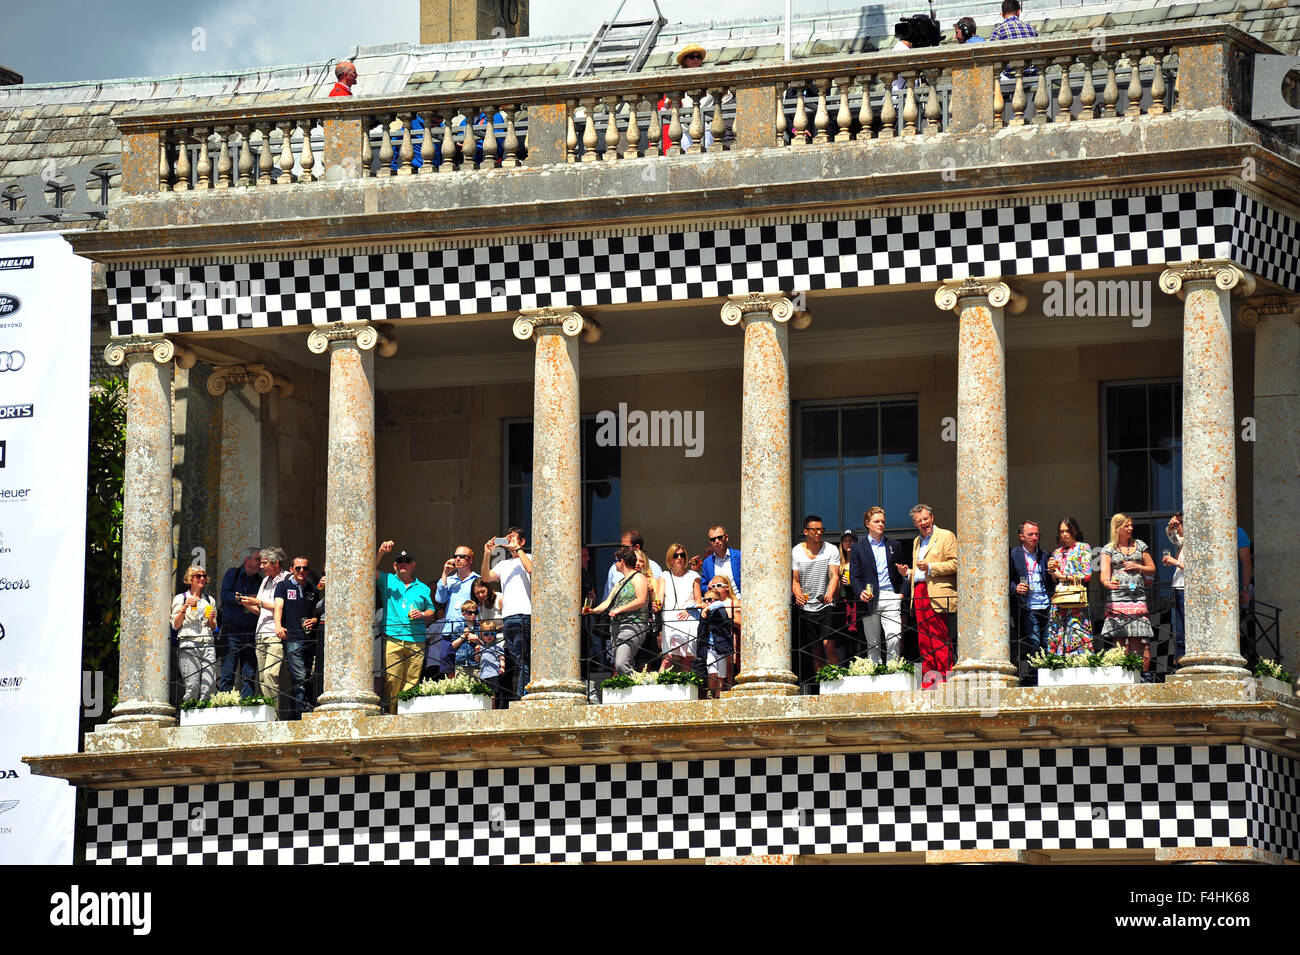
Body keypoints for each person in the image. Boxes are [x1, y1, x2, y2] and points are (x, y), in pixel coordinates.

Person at [899, 505, 957, 686]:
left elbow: (956, 563)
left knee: (938, 636)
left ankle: (945, 678)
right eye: (919, 521)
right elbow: (919, 571)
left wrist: (931, 568)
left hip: (937, 591)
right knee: (924, 638)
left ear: (932, 517)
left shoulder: (946, 536)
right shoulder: (917, 541)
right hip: (919, 591)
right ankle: (929, 680)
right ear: (915, 523)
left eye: (926, 519)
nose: (924, 523)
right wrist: (908, 573)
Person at [375, 542, 436, 710]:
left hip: (417, 639)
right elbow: (367, 569)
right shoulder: (387, 580)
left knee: (412, 680)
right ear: (395, 565)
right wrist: (380, 553)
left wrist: (422, 614)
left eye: (407, 561)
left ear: (413, 565)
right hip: (393, 637)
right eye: (399, 562)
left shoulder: (423, 587)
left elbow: (431, 610)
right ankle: (393, 714)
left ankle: (405, 714)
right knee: (392, 680)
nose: (403, 564)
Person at [850, 507, 907, 665]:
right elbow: (854, 576)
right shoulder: (857, 548)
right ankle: (875, 673)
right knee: (873, 643)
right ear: (867, 524)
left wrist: (901, 593)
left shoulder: (894, 545)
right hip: (870, 598)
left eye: (883, 521)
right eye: (877, 521)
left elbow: (904, 572)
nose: (881, 524)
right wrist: (860, 591)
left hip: (891, 596)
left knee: (894, 637)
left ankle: (893, 669)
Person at [480, 527, 532, 699]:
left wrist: (517, 548)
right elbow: (486, 577)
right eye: (507, 538)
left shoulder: (529, 557)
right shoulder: (503, 564)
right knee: (518, 661)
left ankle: (522, 696)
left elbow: (531, 569)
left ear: (522, 541)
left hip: (525, 614)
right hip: (508, 617)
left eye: (514, 537)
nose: (509, 541)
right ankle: (523, 693)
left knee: (524, 660)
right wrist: (487, 554)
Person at [1101, 513, 1156, 675]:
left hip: (1137, 597)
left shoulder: (1140, 545)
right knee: (1119, 638)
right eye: (1127, 526)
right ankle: (1121, 674)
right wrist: (1107, 583)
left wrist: (1137, 566)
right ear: (1117, 528)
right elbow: (1104, 573)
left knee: (1137, 637)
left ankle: (1138, 675)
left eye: (1131, 525)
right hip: (1117, 598)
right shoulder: (1109, 549)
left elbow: (1152, 568)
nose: (1130, 528)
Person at [583, 546, 648, 675]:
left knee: (621, 664)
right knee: (623, 663)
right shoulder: (620, 582)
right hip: (616, 627)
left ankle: (641, 686)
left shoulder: (638, 578)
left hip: (632, 625)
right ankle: (633, 689)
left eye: (616, 561)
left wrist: (619, 609)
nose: (615, 564)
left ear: (622, 561)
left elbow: (640, 600)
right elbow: (607, 602)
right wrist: (592, 610)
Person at [792, 514, 841, 680]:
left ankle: (835, 681)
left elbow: (835, 575)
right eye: (815, 530)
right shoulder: (797, 551)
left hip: (826, 604)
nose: (819, 532)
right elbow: (795, 580)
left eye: (821, 529)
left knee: (829, 644)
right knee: (815, 649)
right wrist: (798, 596)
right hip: (807, 606)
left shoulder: (831, 549)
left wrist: (830, 594)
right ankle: (822, 683)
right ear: (806, 531)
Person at [273, 555, 319, 718]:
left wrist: (314, 620)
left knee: (306, 677)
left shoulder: (312, 589)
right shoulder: (283, 586)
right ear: (291, 569)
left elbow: (315, 613)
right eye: (298, 568)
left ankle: (292, 715)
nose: (301, 571)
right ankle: (302, 712)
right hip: (292, 638)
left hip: (309, 639)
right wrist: (278, 626)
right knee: (299, 677)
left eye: (305, 568)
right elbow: (278, 607)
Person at [243, 547, 289, 703]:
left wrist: (258, 602)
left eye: (264, 563)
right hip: (261, 632)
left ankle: (275, 717)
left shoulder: (287, 579)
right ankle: (270, 713)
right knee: (262, 677)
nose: (260, 567)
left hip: (275, 633)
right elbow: (261, 609)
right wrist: (245, 602)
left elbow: (281, 606)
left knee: (270, 675)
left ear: (275, 563)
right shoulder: (265, 580)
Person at [1009, 520, 1055, 665]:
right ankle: (1035, 674)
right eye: (1031, 534)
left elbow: (1051, 579)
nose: (1034, 537)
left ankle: (1047, 672)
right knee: (1034, 642)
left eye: (1037, 534)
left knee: (1047, 641)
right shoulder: (1013, 554)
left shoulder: (1045, 555)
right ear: (1021, 536)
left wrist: (1053, 572)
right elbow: (1006, 579)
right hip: (1027, 606)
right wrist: (1015, 588)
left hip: (1046, 605)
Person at [1046, 516, 1094, 654]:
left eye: (1068, 530)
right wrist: (1052, 572)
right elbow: (1055, 579)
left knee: (1077, 630)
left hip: (1075, 598)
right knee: (1059, 631)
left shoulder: (1083, 548)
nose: (1065, 534)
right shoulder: (1056, 552)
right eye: (1061, 531)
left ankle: (1079, 660)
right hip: (1060, 597)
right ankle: (1058, 661)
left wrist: (1064, 576)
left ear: (1075, 531)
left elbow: (1087, 575)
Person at [218, 547, 261, 696]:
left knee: (249, 674)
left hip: (251, 630)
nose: (260, 563)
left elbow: (260, 602)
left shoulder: (260, 581)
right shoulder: (233, 574)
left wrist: (242, 598)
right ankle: (225, 704)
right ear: (247, 560)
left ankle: (247, 704)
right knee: (228, 672)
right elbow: (225, 595)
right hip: (231, 631)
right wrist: (244, 599)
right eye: (257, 559)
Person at [172, 566, 217, 704]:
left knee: (209, 684)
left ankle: (203, 715)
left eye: (204, 575)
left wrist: (211, 619)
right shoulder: (181, 598)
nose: (202, 578)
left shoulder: (209, 600)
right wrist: (184, 609)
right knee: (192, 685)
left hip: (207, 643)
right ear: (190, 579)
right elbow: (175, 625)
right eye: (198, 576)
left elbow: (214, 627)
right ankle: (189, 714)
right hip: (189, 643)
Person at [434, 544, 479, 678]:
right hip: (450, 628)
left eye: (462, 556)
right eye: (455, 556)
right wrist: (445, 573)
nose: (457, 559)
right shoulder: (449, 579)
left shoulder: (477, 579)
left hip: (468, 628)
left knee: (469, 666)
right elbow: (440, 599)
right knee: (448, 666)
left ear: (470, 560)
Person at [659, 542, 701, 672]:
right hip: (670, 618)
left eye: (682, 555)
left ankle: (686, 688)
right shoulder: (665, 576)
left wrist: (690, 610)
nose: (679, 558)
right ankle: (659, 685)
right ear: (670, 559)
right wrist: (656, 605)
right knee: (667, 658)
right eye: (676, 555)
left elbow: (699, 599)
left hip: (688, 617)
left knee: (686, 658)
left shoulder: (693, 576)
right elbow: (660, 596)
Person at [695, 576, 739, 698]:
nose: (708, 602)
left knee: (722, 674)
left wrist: (707, 607)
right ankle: (711, 692)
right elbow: (691, 608)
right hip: (709, 647)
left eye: (711, 599)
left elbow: (718, 604)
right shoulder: (706, 609)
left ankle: (718, 696)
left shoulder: (719, 607)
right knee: (712, 671)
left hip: (722, 644)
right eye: (706, 599)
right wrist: (699, 605)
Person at [1163, 512, 1186, 659]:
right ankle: (1179, 664)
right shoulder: (1185, 543)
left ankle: (1188, 663)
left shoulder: (1198, 541)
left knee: (1186, 630)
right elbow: (1175, 539)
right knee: (1178, 632)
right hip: (1178, 587)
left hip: (1186, 589)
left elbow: (1199, 568)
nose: (1177, 529)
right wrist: (1170, 528)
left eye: (1179, 525)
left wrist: (1175, 562)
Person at [697, 524, 741, 597]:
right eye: (713, 539)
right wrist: (708, 587)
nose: (716, 541)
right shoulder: (707, 563)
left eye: (719, 537)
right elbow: (703, 587)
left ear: (726, 537)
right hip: (717, 604)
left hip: (739, 602)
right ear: (710, 542)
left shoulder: (740, 556)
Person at [835, 530, 859, 656]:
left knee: (858, 635)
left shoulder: (860, 560)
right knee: (843, 636)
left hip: (857, 602)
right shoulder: (838, 563)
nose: (848, 543)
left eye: (851, 540)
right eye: (845, 540)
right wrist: (841, 582)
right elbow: (835, 591)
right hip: (843, 604)